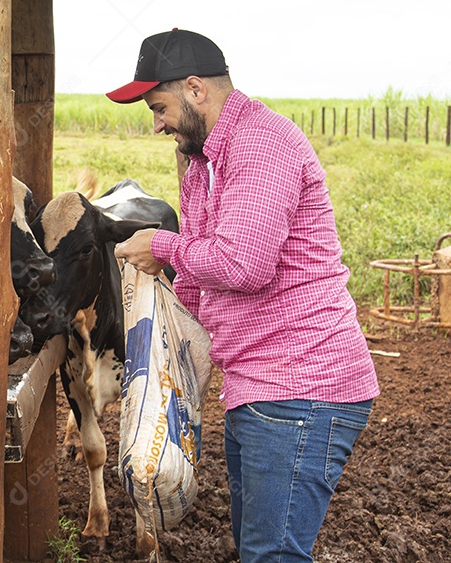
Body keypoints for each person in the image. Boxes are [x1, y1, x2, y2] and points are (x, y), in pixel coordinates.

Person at [108, 28, 380, 563]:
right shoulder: (206, 162)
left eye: (159, 107)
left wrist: (163, 245)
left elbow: (243, 264)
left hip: (302, 385)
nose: (157, 124)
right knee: (259, 549)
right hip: (258, 384)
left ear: (195, 89)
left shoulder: (260, 143)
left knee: (272, 555)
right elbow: (205, 270)